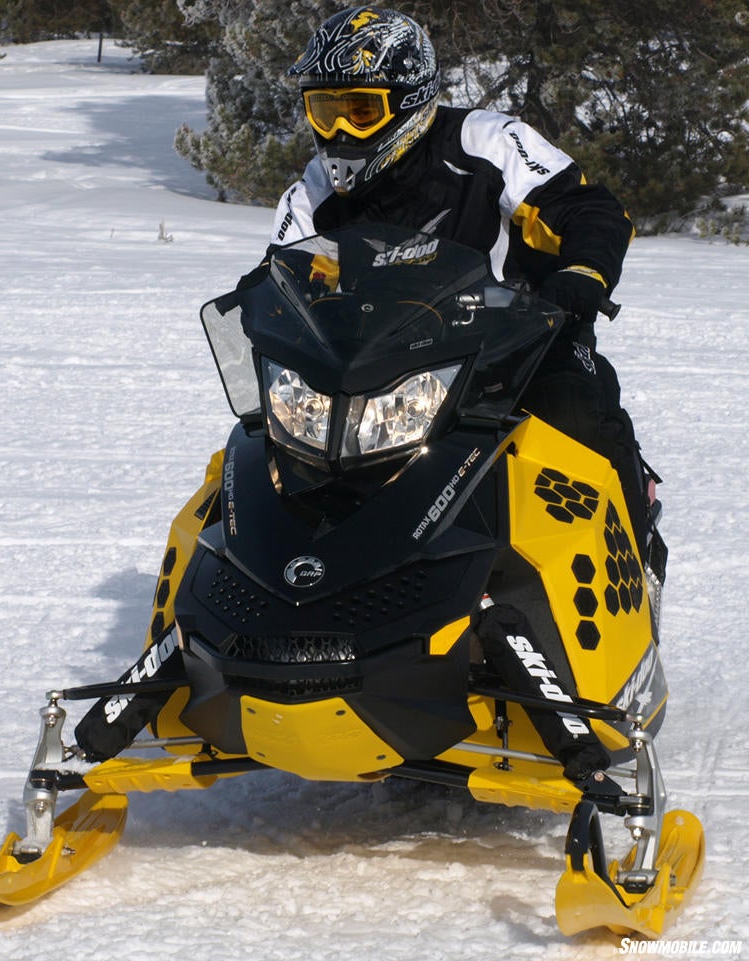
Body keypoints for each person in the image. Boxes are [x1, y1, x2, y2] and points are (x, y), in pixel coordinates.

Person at [270, 6, 655, 783]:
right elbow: (282, 277)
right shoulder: (314, 188)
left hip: (515, 345)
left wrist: (579, 274)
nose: (341, 135)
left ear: (410, 102)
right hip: (380, 373)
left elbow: (586, 205)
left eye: (360, 112)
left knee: (580, 412)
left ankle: (634, 559)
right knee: (278, 456)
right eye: (325, 111)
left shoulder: (484, 142)